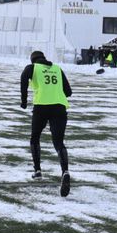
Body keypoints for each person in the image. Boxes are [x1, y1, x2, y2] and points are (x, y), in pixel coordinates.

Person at [20, 50, 72, 196]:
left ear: (33, 60)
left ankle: (37, 170)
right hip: (59, 107)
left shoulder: (32, 68)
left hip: (41, 107)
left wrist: (24, 101)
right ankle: (65, 171)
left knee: (35, 137)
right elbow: (68, 92)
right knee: (58, 142)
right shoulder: (57, 68)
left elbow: (23, 78)